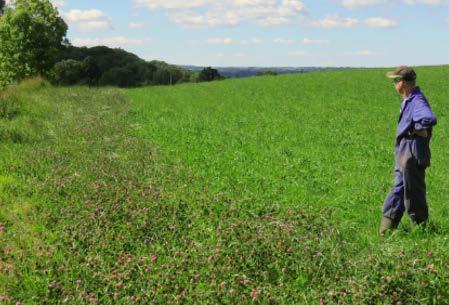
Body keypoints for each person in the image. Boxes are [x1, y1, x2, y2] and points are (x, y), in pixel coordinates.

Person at [380, 66, 437, 236]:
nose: (394, 83)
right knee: (399, 189)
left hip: (412, 155)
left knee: (414, 192)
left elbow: (428, 118)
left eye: (396, 80)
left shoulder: (417, 100)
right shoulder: (409, 99)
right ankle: (386, 229)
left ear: (403, 82)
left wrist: (414, 129)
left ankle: (422, 230)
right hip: (405, 154)